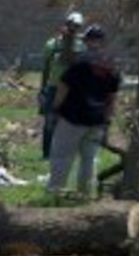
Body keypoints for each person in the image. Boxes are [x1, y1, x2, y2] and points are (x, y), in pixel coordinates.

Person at [47, 25, 120, 199]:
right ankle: (85, 194)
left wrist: (55, 108)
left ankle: (55, 192)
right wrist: (107, 120)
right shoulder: (111, 67)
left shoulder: (79, 63)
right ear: (103, 42)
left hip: (73, 117)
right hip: (97, 119)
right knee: (90, 159)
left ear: (86, 41)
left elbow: (63, 87)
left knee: (62, 157)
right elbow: (112, 98)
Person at [38, 11, 84, 159]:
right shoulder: (52, 45)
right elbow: (46, 68)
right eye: (71, 25)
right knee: (50, 122)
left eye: (76, 26)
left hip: (73, 90)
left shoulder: (80, 46)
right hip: (53, 88)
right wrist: (42, 89)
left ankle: (66, 153)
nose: (73, 29)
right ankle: (47, 153)